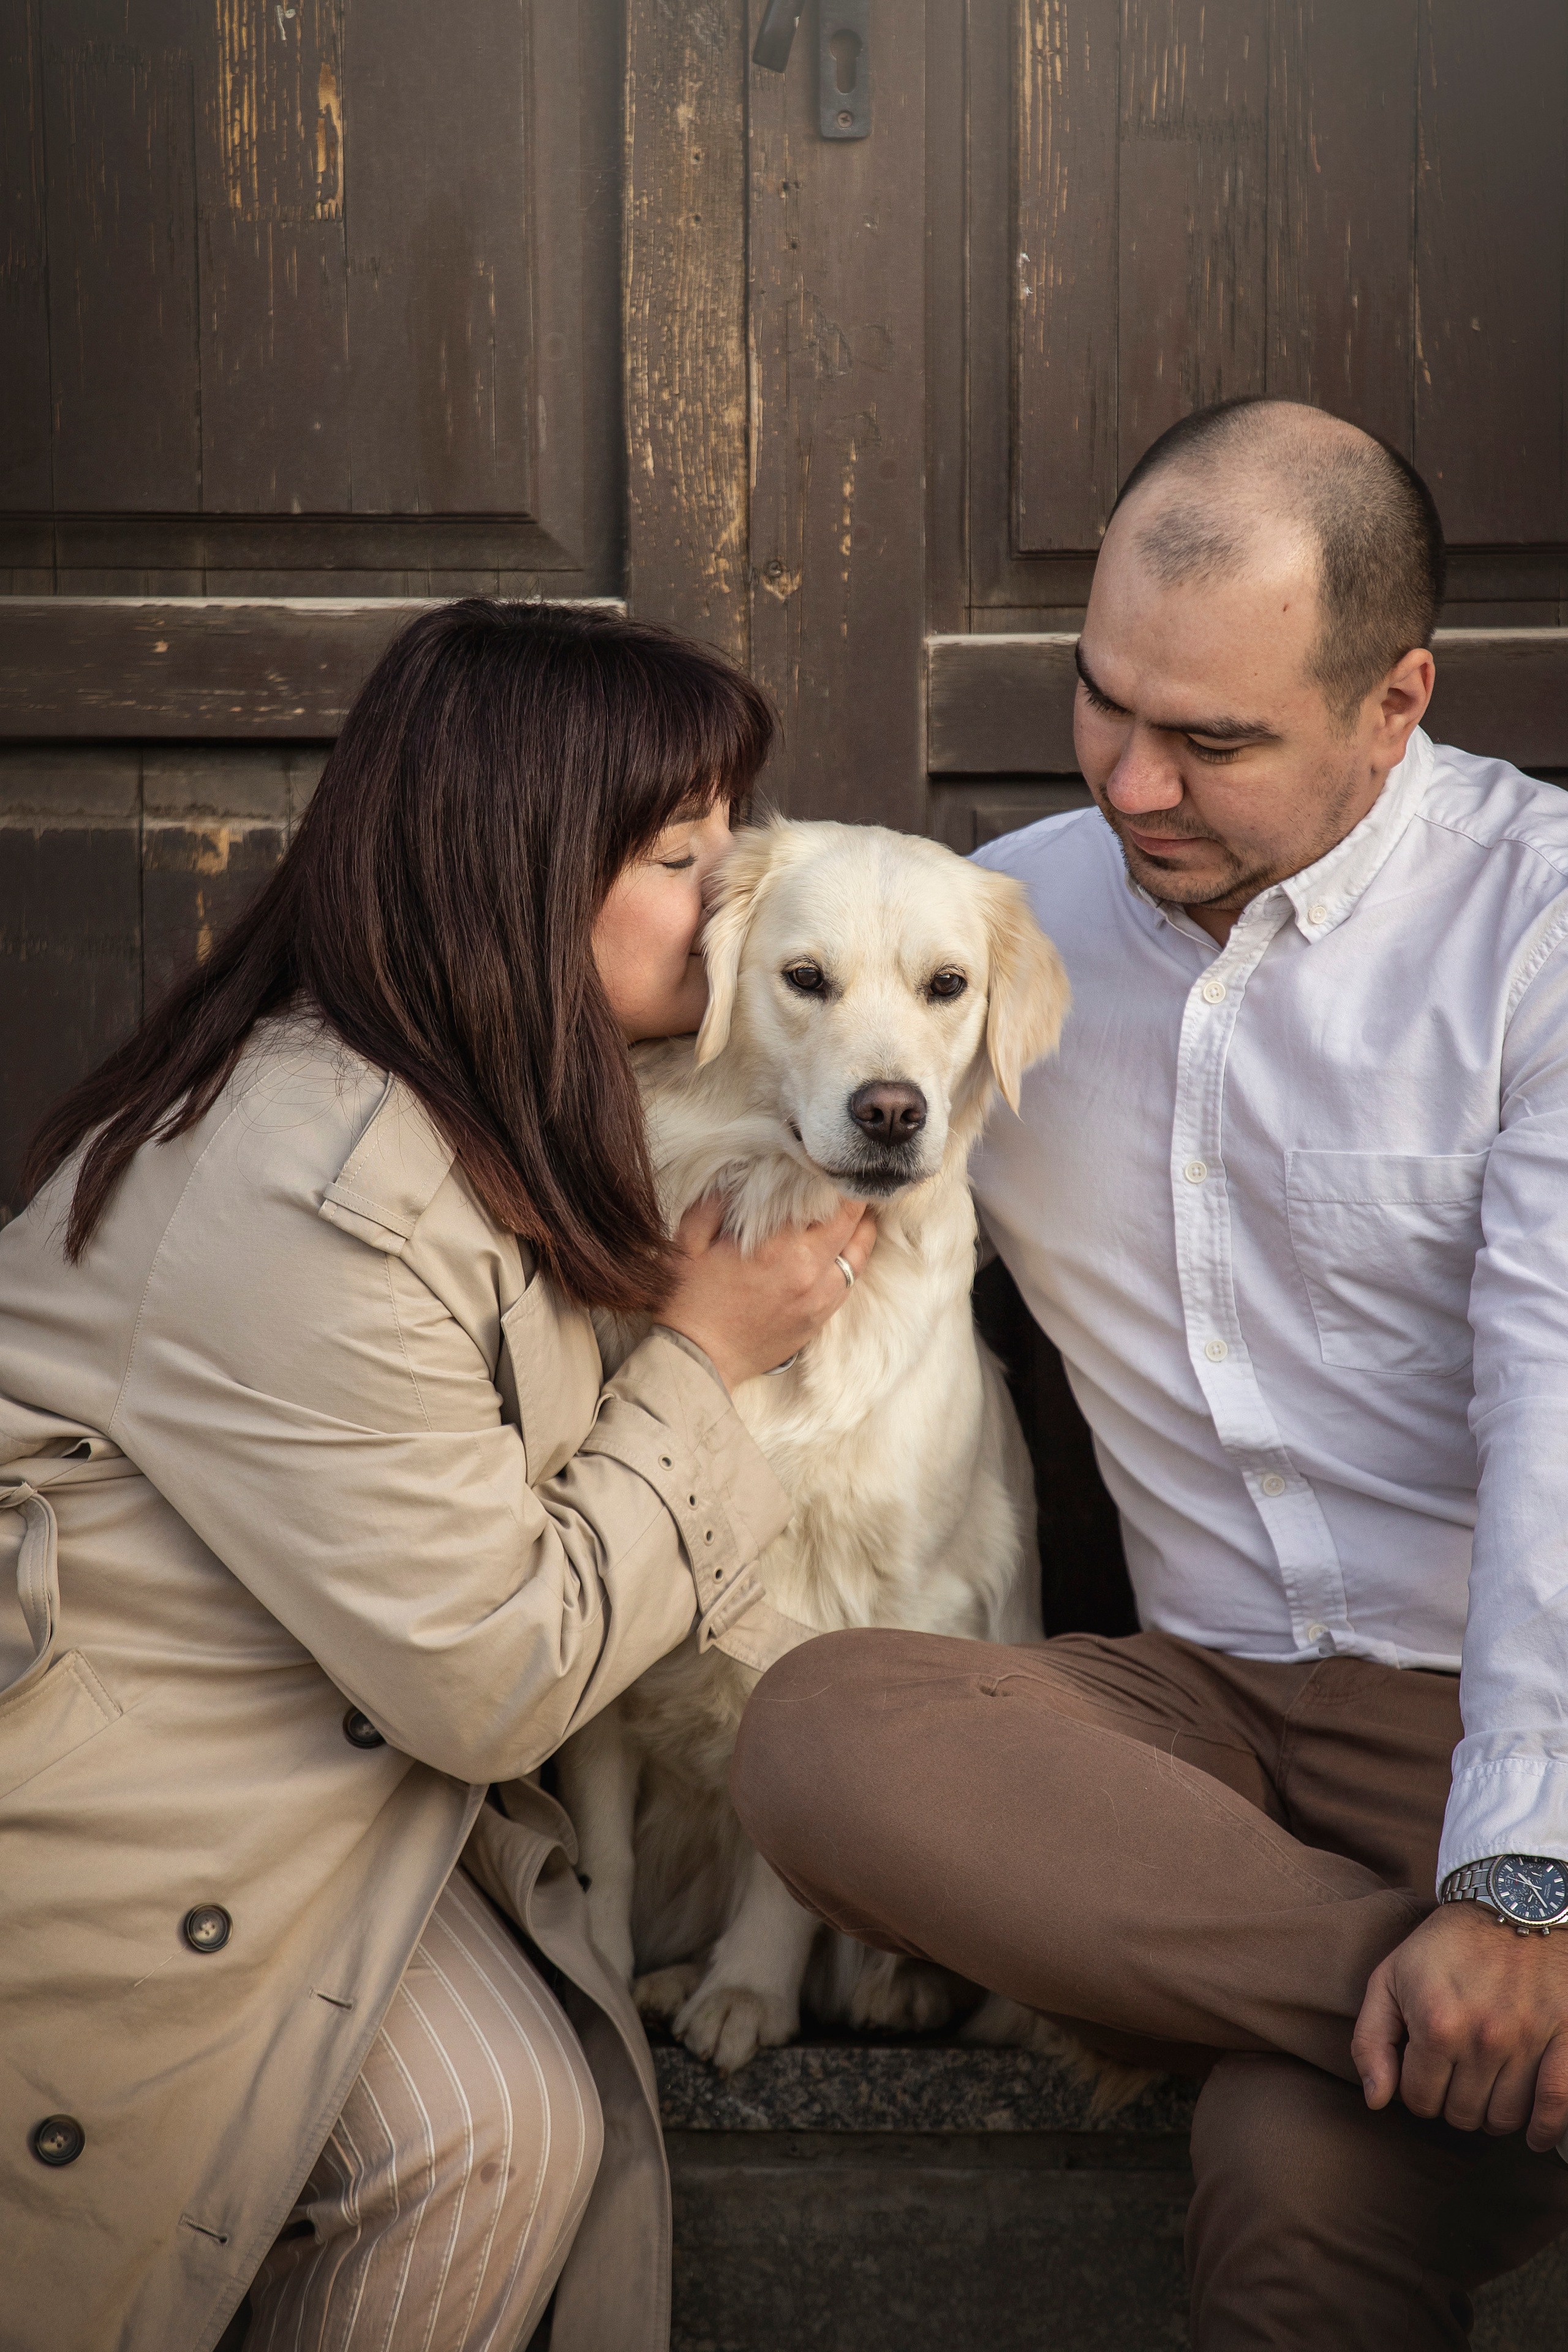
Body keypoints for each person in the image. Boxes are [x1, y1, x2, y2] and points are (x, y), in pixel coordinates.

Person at [731, 398, 1568, 2346]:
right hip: (1186, 1751)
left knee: (1289, 2204)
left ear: (1397, 702)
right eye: (1105, 702)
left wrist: (1521, 1882)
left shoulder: (1535, 926)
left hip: (1506, 1717)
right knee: (824, 1735)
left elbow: (1557, 1402)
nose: (1131, 781)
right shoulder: (992, 933)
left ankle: (1476, 1990)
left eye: (1213, 740)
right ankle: (1451, 2016)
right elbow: (718, 1089)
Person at [0, 600, 874, 2352]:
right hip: (118, 1820)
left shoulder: (479, 1103)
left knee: (504, 2131)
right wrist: (704, 1361)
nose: (735, 903)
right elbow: (487, 1674)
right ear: (529, 875)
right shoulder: (316, 1189)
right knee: (487, 2138)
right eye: (688, 859)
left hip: (317, 1768)